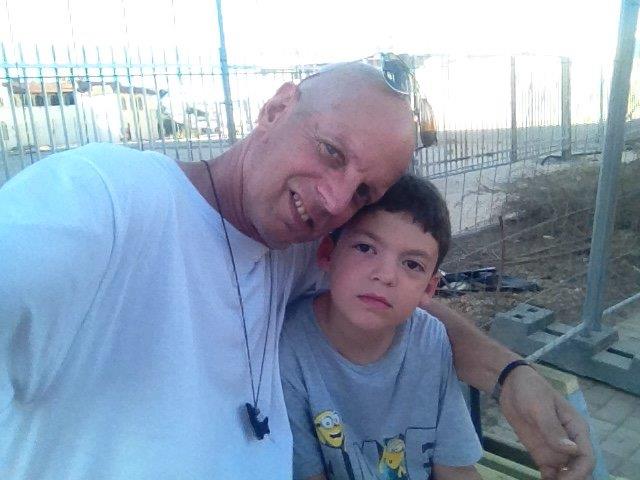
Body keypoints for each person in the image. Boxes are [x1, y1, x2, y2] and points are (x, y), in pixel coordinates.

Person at [0, 61, 593, 479]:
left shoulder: (295, 247)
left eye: (363, 192)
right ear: (277, 108)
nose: (336, 200)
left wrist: (511, 375)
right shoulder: (105, 199)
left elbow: (403, 302)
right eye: (331, 151)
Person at [280, 174, 483, 480]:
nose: (386, 275)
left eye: (412, 264)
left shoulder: (430, 339)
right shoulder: (289, 346)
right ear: (327, 254)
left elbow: (454, 468)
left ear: (428, 289)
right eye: (365, 248)